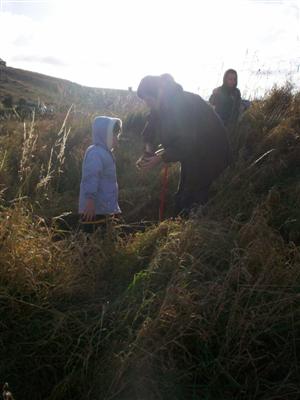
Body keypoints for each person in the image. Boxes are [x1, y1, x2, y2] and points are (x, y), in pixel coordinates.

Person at [136, 74, 229, 216]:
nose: (147, 104)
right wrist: (149, 152)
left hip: (210, 153)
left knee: (192, 196)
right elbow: (151, 128)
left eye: (148, 99)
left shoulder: (182, 104)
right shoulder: (161, 103)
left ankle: (193, 228)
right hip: (192, 153)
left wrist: (161, 157)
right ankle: (182, 219)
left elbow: (187, 142)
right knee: (183, 193)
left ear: (158, 92)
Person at [78, 116, 122, 233]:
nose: (117, 139)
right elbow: (91, 177)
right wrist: (90, 200)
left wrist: (114, 207)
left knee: (103, 238)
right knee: (91, 238)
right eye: (114, 136)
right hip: (94, 209)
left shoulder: (106, 153)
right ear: (105, 135)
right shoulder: (96, 153)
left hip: (104, 207)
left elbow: (109, 185)